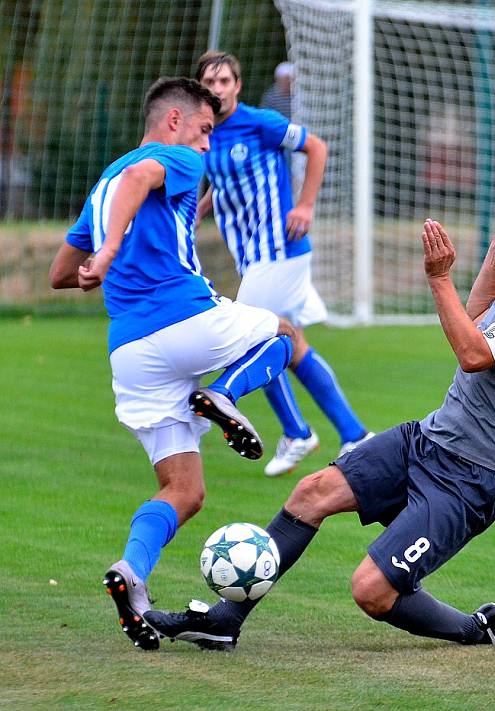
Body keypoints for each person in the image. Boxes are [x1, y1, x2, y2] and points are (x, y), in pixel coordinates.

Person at [143, 181, 495, 651]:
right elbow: (476, 321)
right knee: (311, 493)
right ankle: (224, 621)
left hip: (479, 470)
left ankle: (474, 630)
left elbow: (472, 352)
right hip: (432, 438)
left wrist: (439, 278)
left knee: (372, 591)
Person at [48, 77, 299, 651]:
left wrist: (93, 265)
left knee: (183, 490)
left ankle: (132, 575)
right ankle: (228, 394)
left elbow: (60, 274)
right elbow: (142, 177)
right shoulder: (172, 158)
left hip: (131, 354)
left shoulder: (101, 185)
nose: (208, 144)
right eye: (205, 130)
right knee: (284, 334)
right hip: (184, 320)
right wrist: (109, 252)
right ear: (174, 121)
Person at [195, 51, 372, 477]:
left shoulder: (261, 123)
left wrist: (306, 205)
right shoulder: (205, 135)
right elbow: (223, 185)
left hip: (281, 250)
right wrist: (197, 211)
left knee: (254, 340)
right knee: (292, 347)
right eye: (210, 83)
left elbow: (317, 147)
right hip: (254, 257)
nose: (217, 89)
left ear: (237, 86)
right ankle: (354, 434)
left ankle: (296, 431)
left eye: (224, 81)